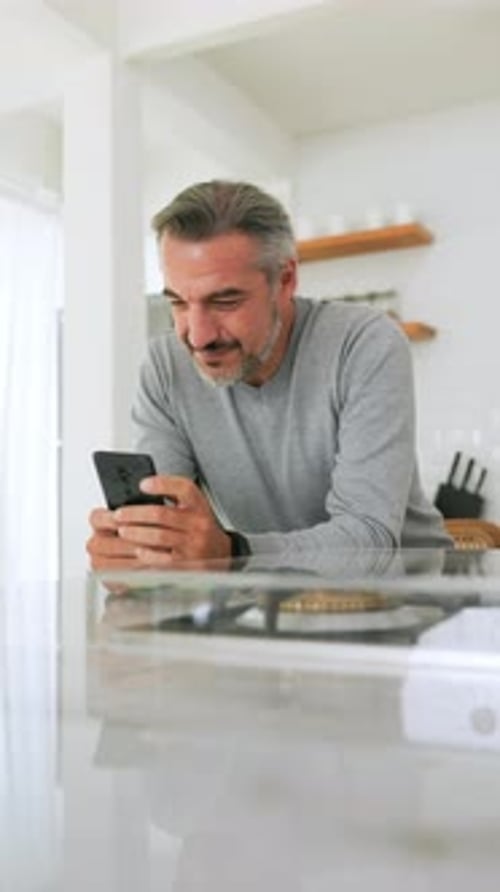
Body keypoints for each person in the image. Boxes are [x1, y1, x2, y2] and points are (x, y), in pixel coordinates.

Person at [87, 180, 451, 570]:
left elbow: (370, 538)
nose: (198, 335)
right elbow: (173, 533)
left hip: (410, 600)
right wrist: (140, 551)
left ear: (286, 280)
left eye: (224, 300)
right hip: (268, 605)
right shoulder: (164, 368)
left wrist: (233, 551)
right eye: (177, 302)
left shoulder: (365, 342)